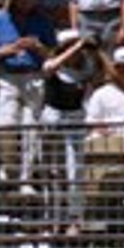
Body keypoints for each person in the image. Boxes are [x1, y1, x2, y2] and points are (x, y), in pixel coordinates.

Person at [0, 0, 57, 194]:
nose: (24, 2)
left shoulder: (43, 21)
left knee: (32, 126)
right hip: (8, 75)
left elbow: (52, 53)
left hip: (34, 75)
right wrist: (11, 49)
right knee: (5, 124)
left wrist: (37, 46)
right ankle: (8, 168)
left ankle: (26, 178)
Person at [40, 29, 103, 233]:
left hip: (75, 118)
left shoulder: (86, 67)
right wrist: (76, 46)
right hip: (54, 118)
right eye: (70, 47)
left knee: (75, 170)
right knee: (54, 171)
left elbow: (104, 75)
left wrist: (95, 51)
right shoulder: (53, 66)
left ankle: (75, 217)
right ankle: (53, 217)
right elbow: (50, 67)